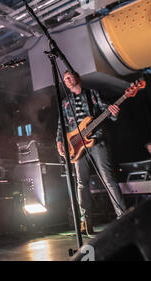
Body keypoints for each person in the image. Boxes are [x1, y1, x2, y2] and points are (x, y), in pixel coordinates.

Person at [56, 70, 127, 235]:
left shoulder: (93, 94)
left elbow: (106, 111)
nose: (66, 80)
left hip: (97, 141)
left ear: (77, 77)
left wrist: (114, 113)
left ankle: (122, 217)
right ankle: (85, 222)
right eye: (64, 78)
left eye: (69, 77)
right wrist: (59, 141)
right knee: (81, 184)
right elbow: (62, 124)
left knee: (109, 180)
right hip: (76, 145)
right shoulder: (65, 102)